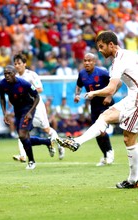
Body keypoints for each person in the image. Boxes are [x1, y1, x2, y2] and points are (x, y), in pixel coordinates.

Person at [57, 31, 138, 189]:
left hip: (136, 98)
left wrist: (93, 92)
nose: (99, 50)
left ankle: (133, 180)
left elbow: (110, 89)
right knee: (117, 128)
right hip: (133, 96)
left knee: (126, 134)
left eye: (101, 47)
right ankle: (77, 142)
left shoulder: (119, 62)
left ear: (111, 45)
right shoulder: (126, 55)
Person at [0, 65, 55, 170]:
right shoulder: (2, 84)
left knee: (22, 135)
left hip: (28, 108)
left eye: (9, 73)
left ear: (14, 73)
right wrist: (4, 112)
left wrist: (30, 112)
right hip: (17, 110)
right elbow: (2, 97)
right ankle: (47, 142)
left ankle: (32, 161)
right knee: (23, 137)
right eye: (5, 73)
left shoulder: (24, 84)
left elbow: (36, 97)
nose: (7, 76)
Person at [12, 53, 65, 163]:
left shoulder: (31, 75)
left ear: (25, 64)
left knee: (46, 129)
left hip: (36, 106)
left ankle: (60, 145)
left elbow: (40, 89)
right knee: (22, 132)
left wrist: (26, 92)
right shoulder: (15, 78)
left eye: (19, 63)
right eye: (15, 63)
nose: (17, 66)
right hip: (24, 108)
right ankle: (23, 156)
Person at [75, 53, 115, 166]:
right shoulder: (82, 73)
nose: (87, 63)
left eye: (89, 61)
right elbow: (79, 86)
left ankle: (110, 153)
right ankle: (105, 155)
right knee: (96, 132)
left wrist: (109, 96)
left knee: (100, 130)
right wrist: (77, 95)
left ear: (94, 62)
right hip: (94, 106)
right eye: (85, 60)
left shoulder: (102, 73)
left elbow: (117, 83)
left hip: (106, 104)